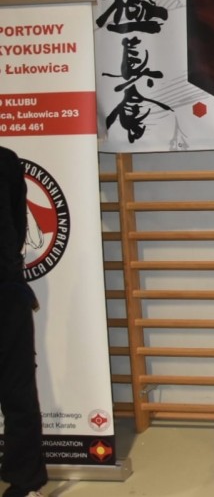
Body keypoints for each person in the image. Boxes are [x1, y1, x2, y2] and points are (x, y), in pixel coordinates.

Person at [0, 146, 47, 497]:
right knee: (17, 388)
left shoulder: (5, 161)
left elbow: (16, 226)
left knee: (17, 387)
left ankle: (25, 482)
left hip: (5, 289)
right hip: (6, 285)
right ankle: (25, 481)